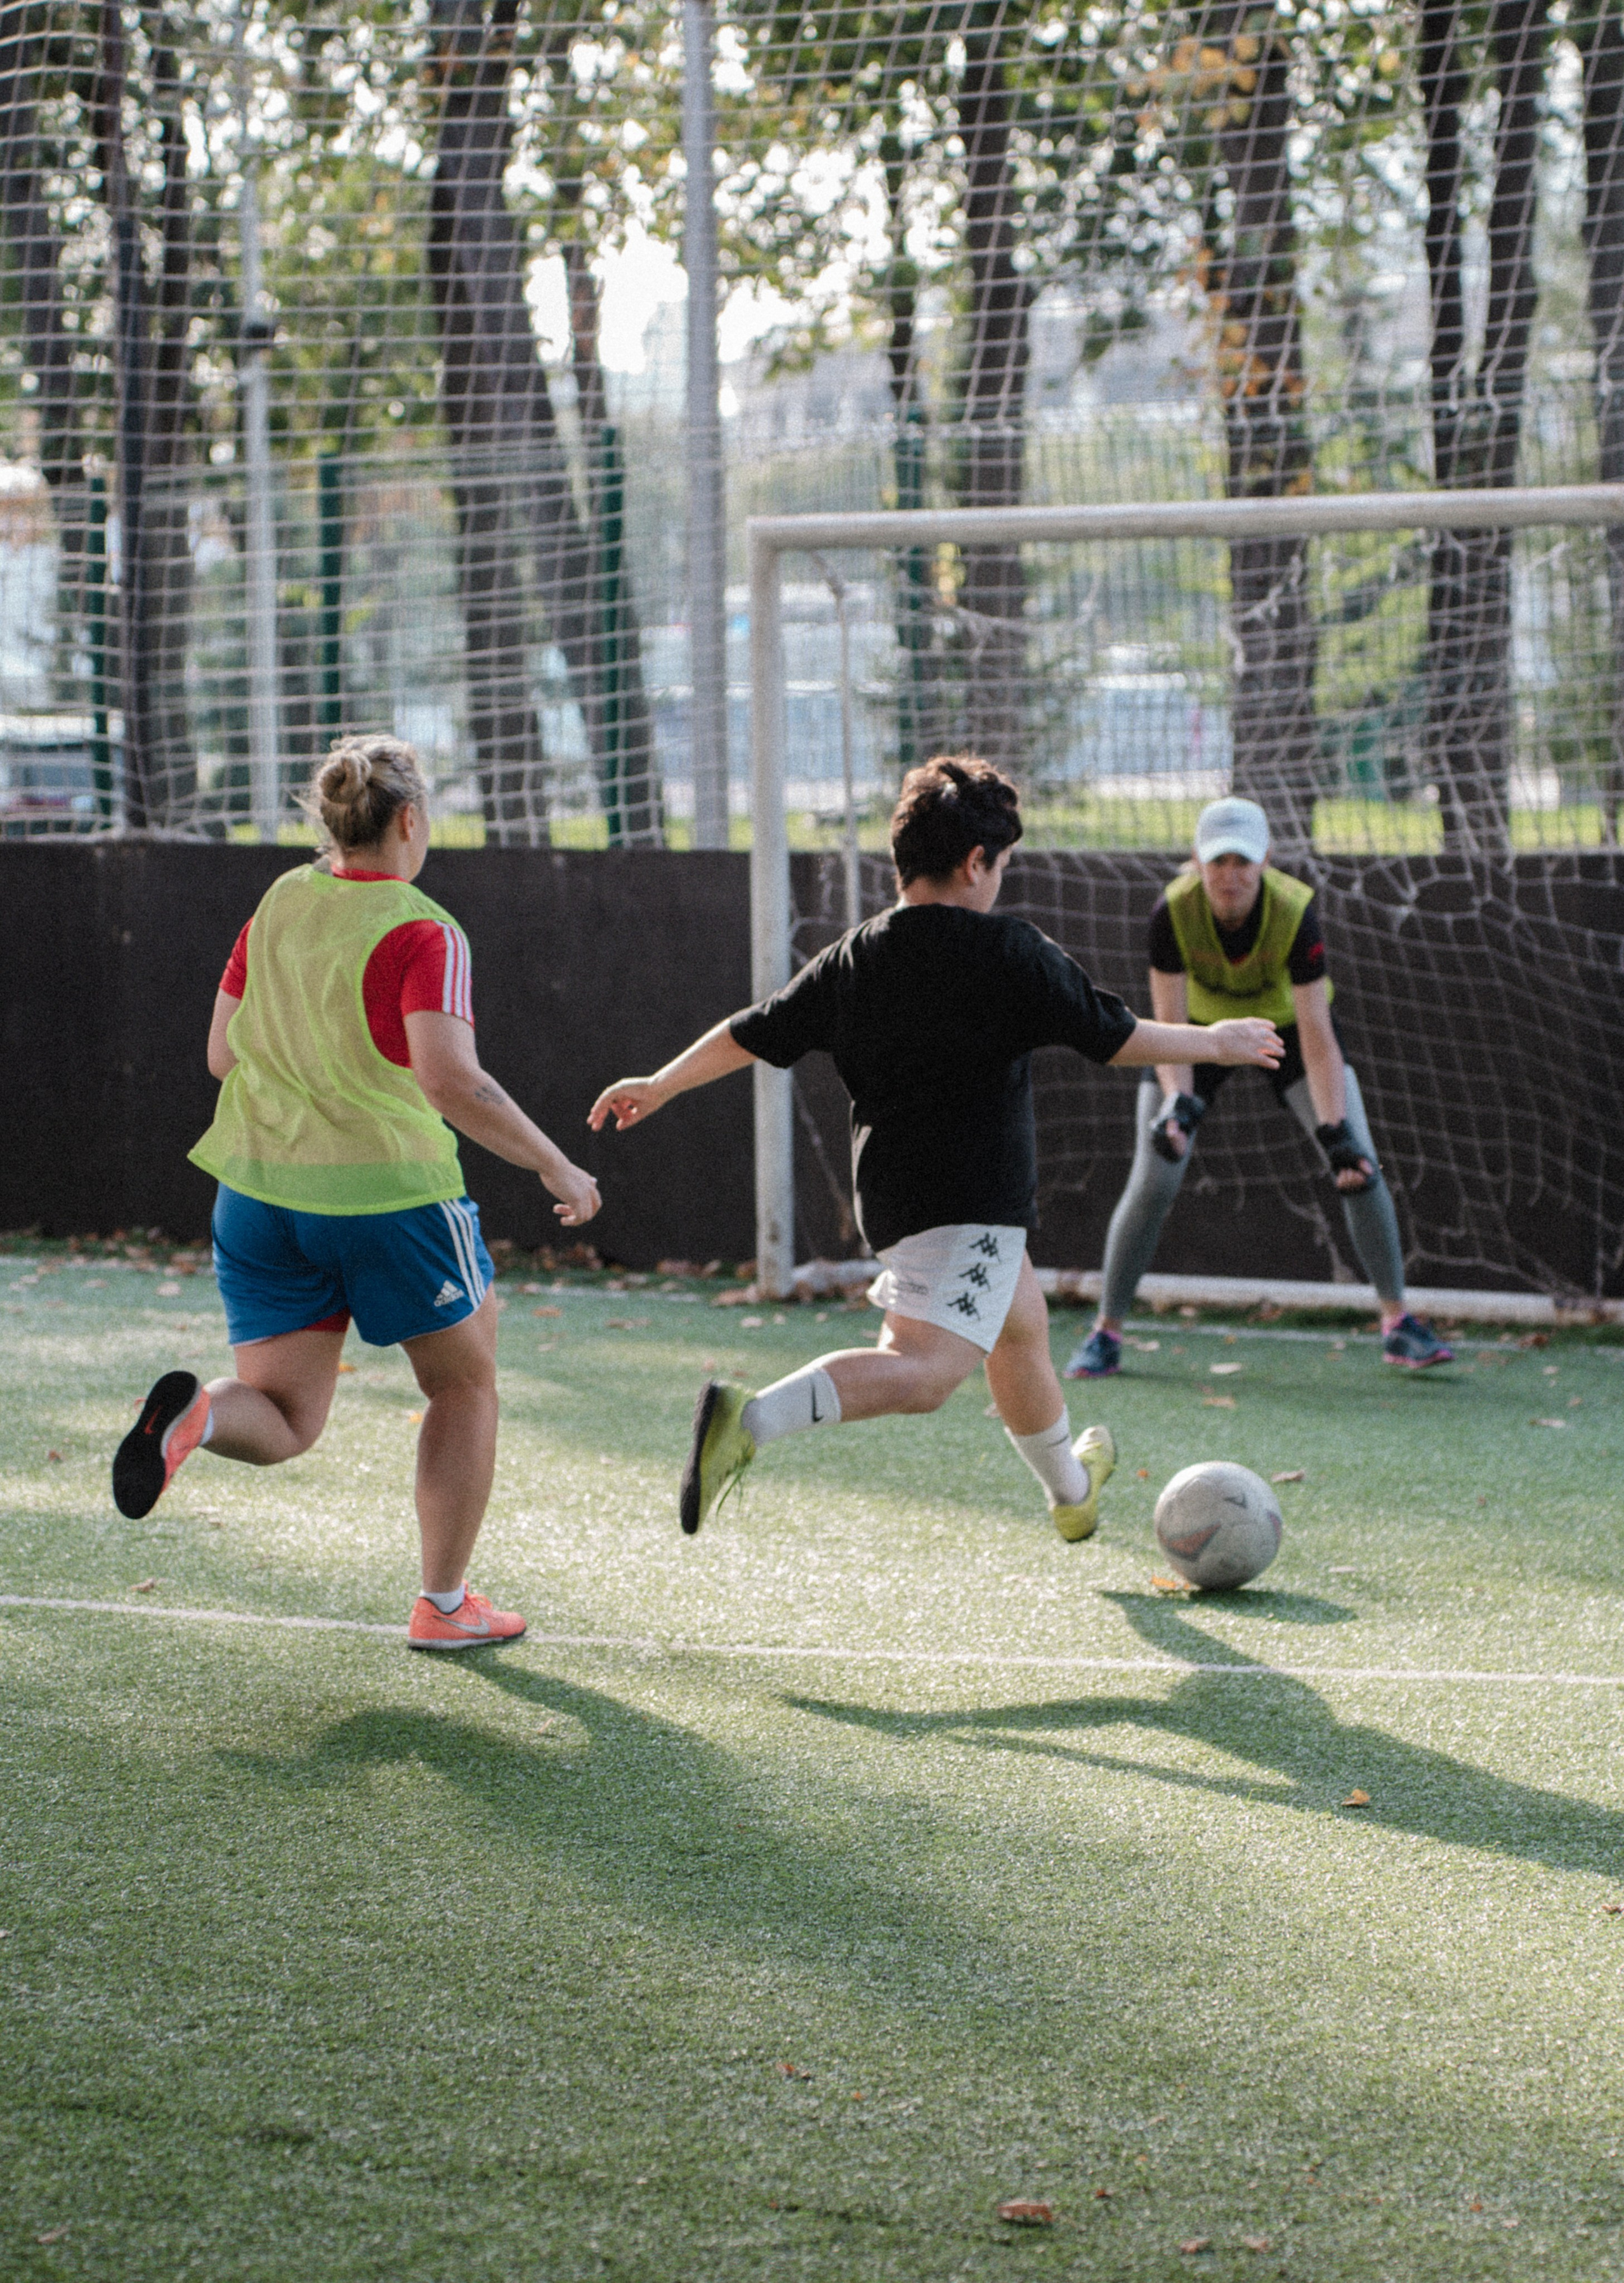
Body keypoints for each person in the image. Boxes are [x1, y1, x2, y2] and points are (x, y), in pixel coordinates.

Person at [587, 756, 1283, 1540]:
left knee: (1018, 1324)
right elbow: (1115, 1038)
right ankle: (748, 1421)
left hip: (895, 1200)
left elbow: (754, 1029)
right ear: (973, 863)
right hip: (971, 1206)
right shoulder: (1010, 951)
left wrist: (661, 1080)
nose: (1000, 880)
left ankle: (1071, 1491)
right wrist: (1216, 1041)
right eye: (1001, 864)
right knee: (923, 1376)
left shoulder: (854, 954)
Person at [112, 735, 602, 1648]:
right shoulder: (425, 928)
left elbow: (222, 1055)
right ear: (410, 819)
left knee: (290, 1417)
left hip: (259, 1196)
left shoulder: (278, 905)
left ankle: (199, 1413)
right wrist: (554, 1163)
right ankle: (445, 1607)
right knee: (464, 1386)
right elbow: (452, 1081)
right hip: (390, 1200)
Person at [1064, 794, 1453, 1380]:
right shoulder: (1171, 912)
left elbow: (1318, 1036)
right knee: (1155, 1175)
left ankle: (1399, 1324)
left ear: (1266, 859)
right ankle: (1106, 1333)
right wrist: (1178, 1104)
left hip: (1286, 1032)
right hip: (1200, 1034)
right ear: (1197, 861)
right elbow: (1166, 1023)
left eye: (1242, 861)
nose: (1231, 875)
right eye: (1218, 861)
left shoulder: (1297, 913)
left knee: (1360, 1166)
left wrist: (1336, 1132)